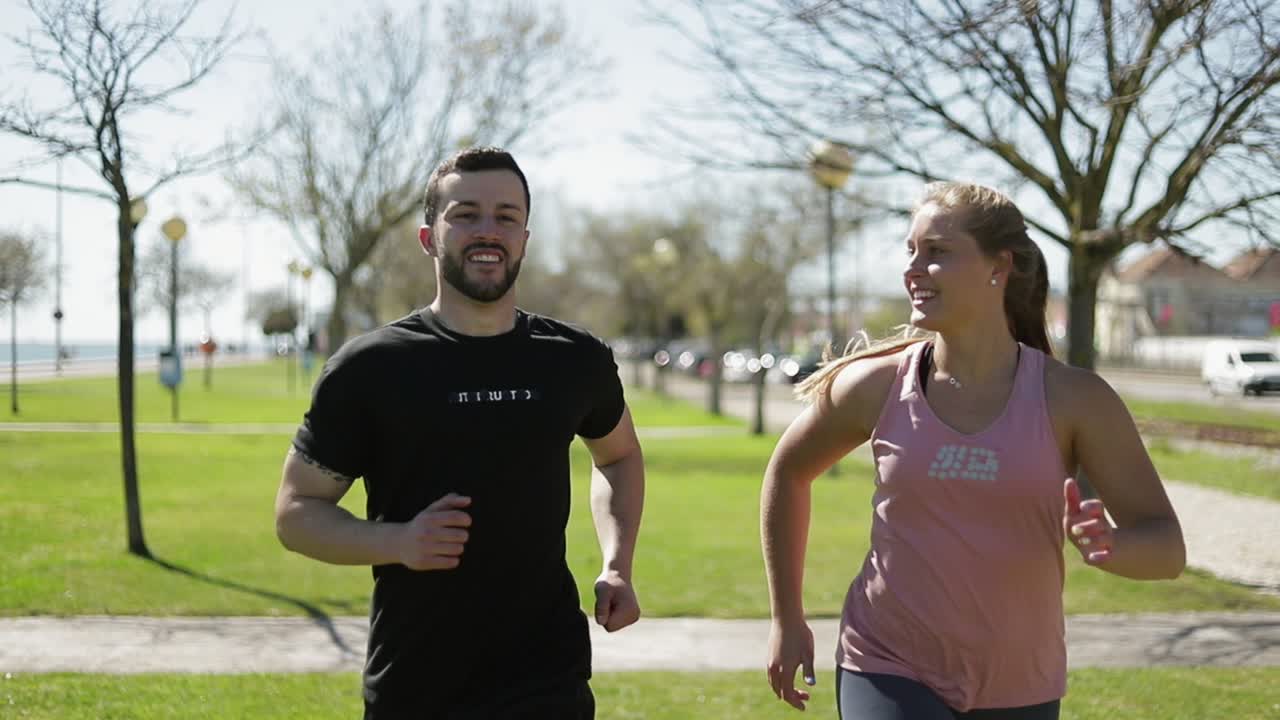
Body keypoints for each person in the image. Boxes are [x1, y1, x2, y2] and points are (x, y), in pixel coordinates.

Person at [761, 182, 1185, 719]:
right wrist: (787, 617)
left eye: (936, 252)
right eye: (910, 251)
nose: (913, 268)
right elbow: (787, 472)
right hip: (888, 663)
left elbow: (1167, 549)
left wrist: (1111, 546)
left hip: (1020, 683)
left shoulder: (1076, 400)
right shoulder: (875, 388)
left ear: (998, 266)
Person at [274, 146, 645, 719]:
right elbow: (295, 514)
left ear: (525, 237)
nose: (487, 231)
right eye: (465, 214)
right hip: (417, 687)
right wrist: (397, 542)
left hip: (548, 682)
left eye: (506, 216)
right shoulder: (370, 369)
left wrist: (616, 563)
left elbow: (617, 458)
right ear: (429, 237)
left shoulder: (574, 360)